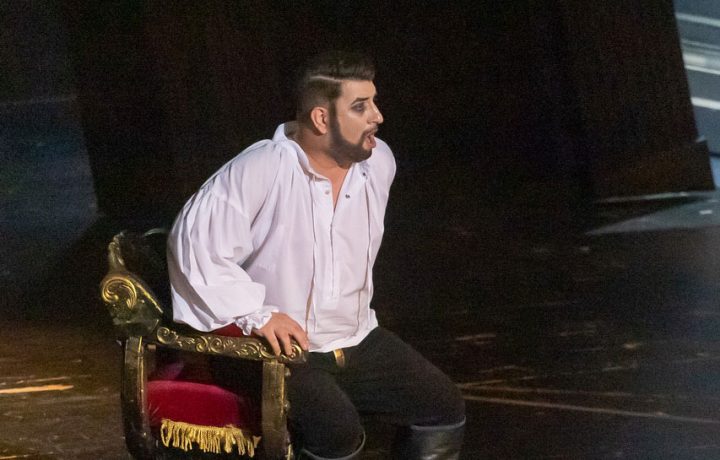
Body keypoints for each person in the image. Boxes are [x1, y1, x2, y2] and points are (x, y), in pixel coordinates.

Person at [167, 51, 465, 459]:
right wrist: (257, 314)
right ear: (321, 119)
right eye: (360, 106)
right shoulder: (262, 168)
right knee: (337, 431)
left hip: (354, 338)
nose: (377, 116)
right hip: (273, 349)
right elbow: (194, 245)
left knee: (442, 406)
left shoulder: (378, 163)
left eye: (374, 102)